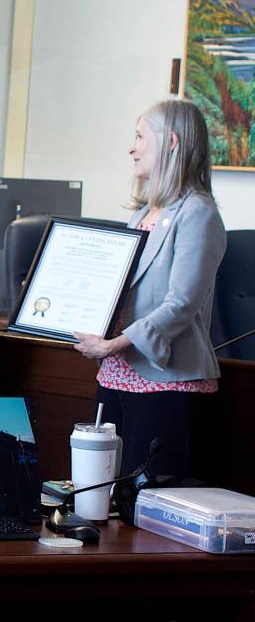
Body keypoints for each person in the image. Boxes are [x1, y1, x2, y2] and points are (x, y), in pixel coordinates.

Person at [73, 99, 226, 478]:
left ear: (170, 143)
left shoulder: (198, 212)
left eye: (140, 136)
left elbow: (182, 303)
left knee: (148, 506)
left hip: (167, 383)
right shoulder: (143, 213)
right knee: (102, 494)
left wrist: (115, 343)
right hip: (116, 375)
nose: (132, 147)